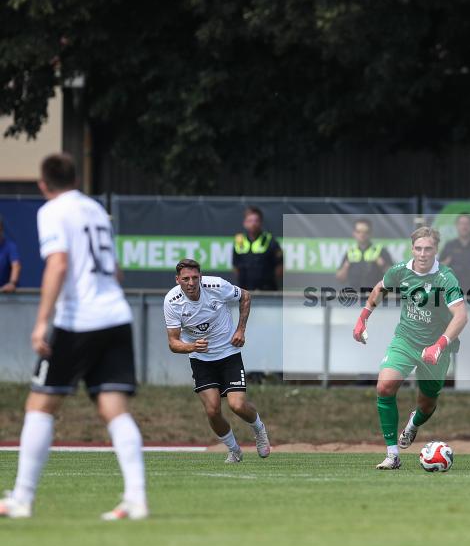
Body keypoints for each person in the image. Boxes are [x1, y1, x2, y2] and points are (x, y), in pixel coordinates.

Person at [0, 153, 148, 520]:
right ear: (76, 178)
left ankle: (22, 498)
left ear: (43, 183)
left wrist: (41, 322)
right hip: (116, 315)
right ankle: (136, 498)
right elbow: (115, 270)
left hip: (78, 320)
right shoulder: (95, 209)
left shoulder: (52, 211)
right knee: (114, 409)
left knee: (40, 406)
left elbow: (59, 263)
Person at [352, 226, 467, 470]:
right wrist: (363, 317)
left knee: (426, 404)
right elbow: (379, 288)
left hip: (436, 348)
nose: (423, 254)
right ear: (411, 248)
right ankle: (392, 455)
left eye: (428, 249)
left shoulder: (446, 277)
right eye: (418, 248)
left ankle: (413, 424)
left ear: (436, 250)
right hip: (405, 340)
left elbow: (460, 316)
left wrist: (440, 344)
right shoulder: (400, 271)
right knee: (384, 386)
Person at [164, 258, 270, 463]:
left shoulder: (217, 286)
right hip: (200, 358)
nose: (191, 283)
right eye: (186, 279)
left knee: (237, 405)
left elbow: (245, 296)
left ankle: (259, 430)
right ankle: (234, 450)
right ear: (178, 280)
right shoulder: (171, 301)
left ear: (200, 277)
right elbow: (173, 343)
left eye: (195, 277)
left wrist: (240, 330)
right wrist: (192, 347)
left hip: (228, 353)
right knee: (212, 410)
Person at [335, 218, 394, 293]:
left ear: (371, 233)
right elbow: (340, 279)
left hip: (376, 296)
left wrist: (383, 265)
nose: (362, 235)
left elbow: (393, 277)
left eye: (365, 232)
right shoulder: (350, 252)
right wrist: (345, 267)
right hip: (355, 297)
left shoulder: (380, 251)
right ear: (354, 233)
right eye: (358, 231)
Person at [232, 206, 283, 291]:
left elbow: (279, 267)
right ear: (244, 223)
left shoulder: (270, 240)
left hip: (267, 290)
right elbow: (235, 267)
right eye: (250, 221)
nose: (253, 224)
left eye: (256, 221)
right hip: (245, 290)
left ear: (261, 222)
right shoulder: (239, 241)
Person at [0, 214, 22, 293]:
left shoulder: (10, 246)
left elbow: (16, 265)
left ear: (1, 229)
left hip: (7, 296)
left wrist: (12, 283)